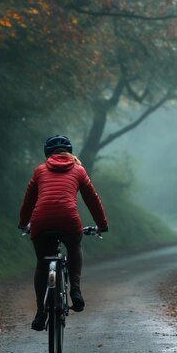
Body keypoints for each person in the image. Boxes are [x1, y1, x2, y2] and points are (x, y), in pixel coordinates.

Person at [18, 135, 108, 331]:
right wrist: (102, 224)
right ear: (70, 152)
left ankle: (41, 312)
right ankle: (75, 290)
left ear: (47, 154)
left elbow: (28, 201)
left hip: (41, 220)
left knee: (42, 265)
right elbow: (92, 199)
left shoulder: (39, 170)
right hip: (69, 220)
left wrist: (23, 223)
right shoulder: (79, 170)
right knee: (74, 247)